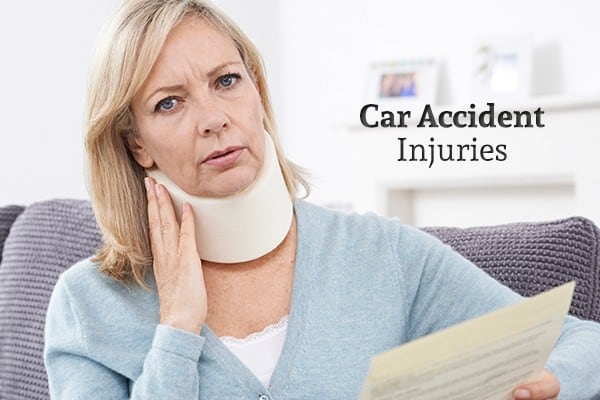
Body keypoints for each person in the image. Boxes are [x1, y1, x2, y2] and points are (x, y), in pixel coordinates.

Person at [43, 0, 600, 399]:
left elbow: (582, 342)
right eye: (169, 103)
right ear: (136, 144)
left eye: (227, 81)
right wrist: (178, 328)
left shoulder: (378, 254)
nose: (214, 119)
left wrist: (548, 385)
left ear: (257, 90)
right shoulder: (87, 304)